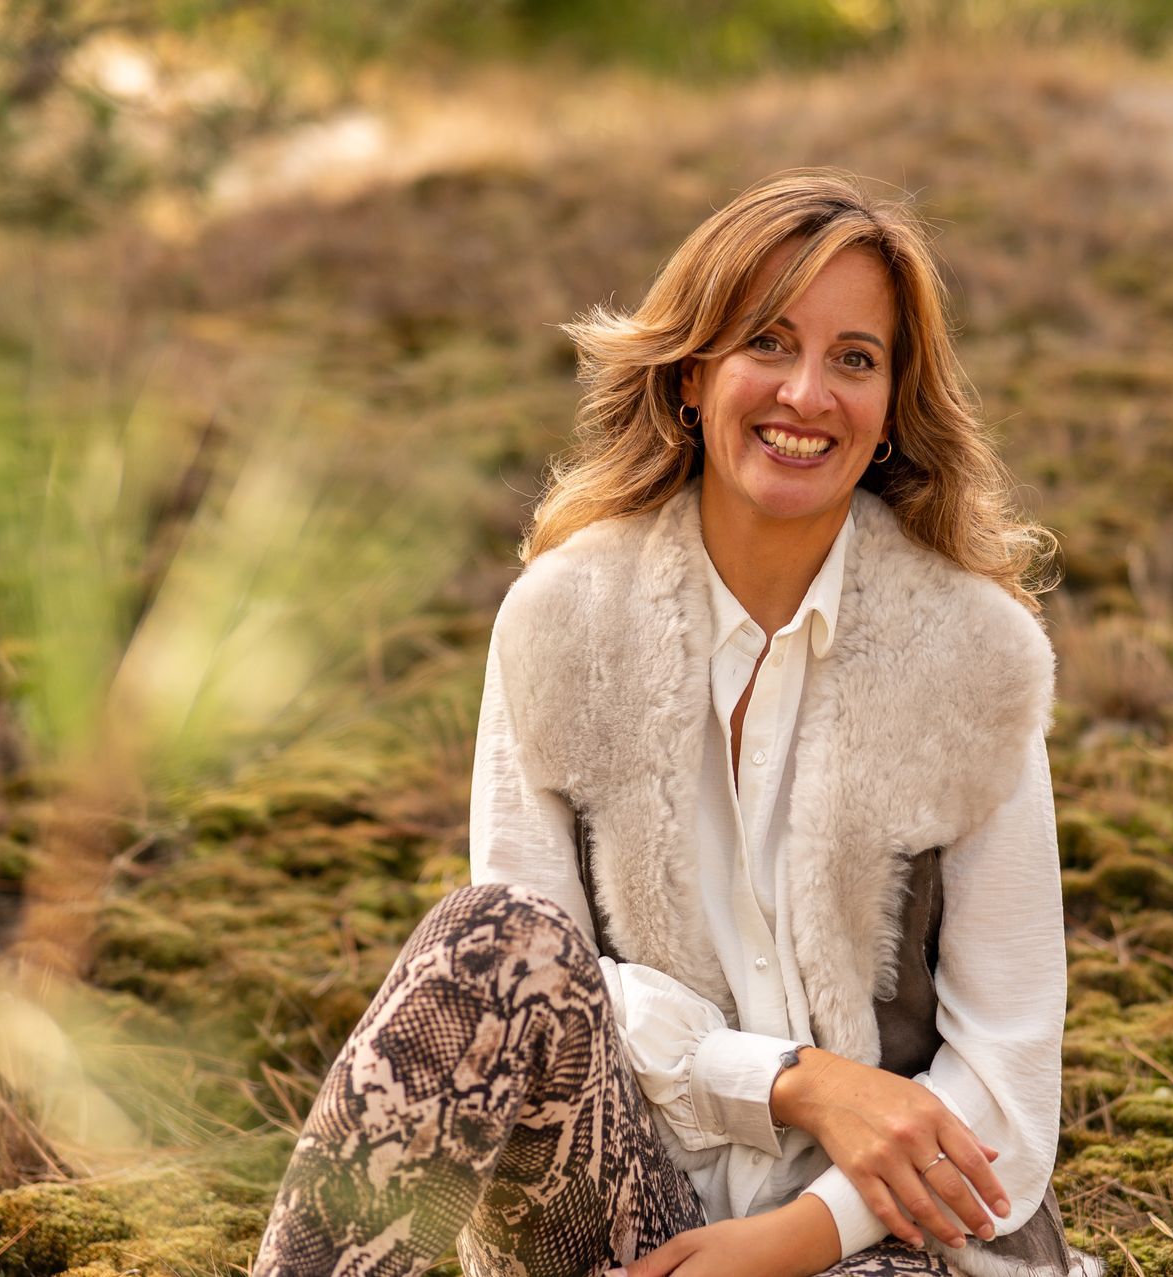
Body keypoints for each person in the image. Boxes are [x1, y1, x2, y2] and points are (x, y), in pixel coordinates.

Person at [250, 167, 1101, 1277]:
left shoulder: (975, 653)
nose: (807, 393)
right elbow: (536, 983)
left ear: (893, 406)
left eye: (856, 358)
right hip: (613, 1220)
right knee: (487, 937)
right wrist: (789, 1077)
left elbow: (1008, 1083)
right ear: (693, 374)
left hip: (892, 1239)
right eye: (767, 342)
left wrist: (788, 1239)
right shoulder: (565, 620)